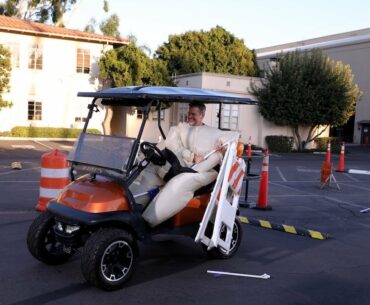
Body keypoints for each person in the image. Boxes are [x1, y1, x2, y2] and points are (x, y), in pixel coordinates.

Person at [141, 102, 239, 227]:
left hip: (203, 171)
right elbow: (171, 142)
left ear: (202, 115)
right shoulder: (182, 128)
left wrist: (222, 143)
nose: (189, 116)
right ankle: (135, 204)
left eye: (193, 114)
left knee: (179, 183)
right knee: (151, 168)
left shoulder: (213, 133)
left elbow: (232, 139)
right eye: (189, 113)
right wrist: (191, 156)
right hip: (181, 165)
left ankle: (148, 220)